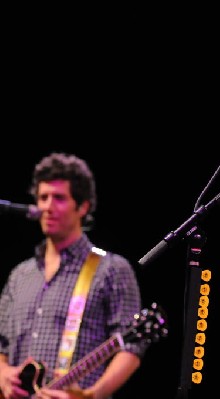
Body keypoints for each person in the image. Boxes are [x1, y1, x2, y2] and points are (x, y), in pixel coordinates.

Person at [0, 153, 147, 399]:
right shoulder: (20, 275)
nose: (47, 206)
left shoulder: (111, 269)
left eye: (59, 198)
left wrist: (91, 395)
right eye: (43, 197)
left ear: (83, 206)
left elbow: (131, 348)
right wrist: (3, 374)